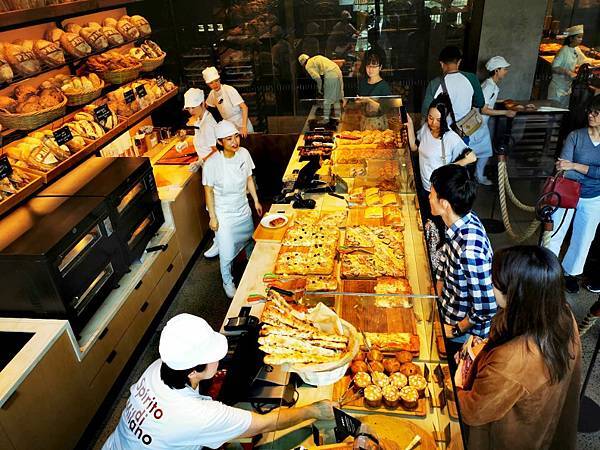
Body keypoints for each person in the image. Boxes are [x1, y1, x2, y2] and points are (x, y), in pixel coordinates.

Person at [102, 313, 336, 449]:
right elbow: (264, 424)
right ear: (193, 371)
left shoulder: (157, 368)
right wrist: (314, 410)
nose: (220, 359)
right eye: (213, 356)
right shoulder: (199, 415)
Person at [457, 246, 581, 450]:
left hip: (506, 436)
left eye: (495, 281)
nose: (490, 282)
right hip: (541, 423)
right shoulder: (560, 315)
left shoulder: (512, 359)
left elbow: (473, 411)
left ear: (514, 293)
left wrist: (456, 384)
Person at [429, 164, 496, 362]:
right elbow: (445, 258)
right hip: (446, 309)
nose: (428, 197)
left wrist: (454, 330)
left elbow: (486, 307)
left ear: (444, 203)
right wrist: (435, 293)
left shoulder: (470, 250)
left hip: (462, 336)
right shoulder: (460, 220)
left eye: (431, 194)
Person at [546, 95, 600, 294]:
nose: (591, 115)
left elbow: (571, 167)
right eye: (589, 111)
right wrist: (591, 172)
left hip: (594, 197)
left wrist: (576, 166)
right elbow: (563, 168)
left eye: (596, 112)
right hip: (567, 191)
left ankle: (571, 273)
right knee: (554, 234)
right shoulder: (575, 136)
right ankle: (548, 271)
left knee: (584, 238)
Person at [203, 120, 262, 298]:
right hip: (224, 213)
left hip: (242, 207)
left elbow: (249, 178)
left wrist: (256, 201)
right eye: (229, 139)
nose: (235, 141)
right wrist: (213, 217)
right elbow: (208, 191)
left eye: (236, 136)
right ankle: (227, 281)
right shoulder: (212, 164)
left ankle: (252, 264)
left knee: (249, 238)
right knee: (227, 252)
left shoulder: (243, 153)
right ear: (220, 142)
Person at [406, 95, 475, 222]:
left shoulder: (449, 137)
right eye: (430, 118)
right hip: (424, 185)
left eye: (438, 120)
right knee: (424, 220)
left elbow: (471, 157)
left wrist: (448, 169)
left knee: (436, 223)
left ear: (445, 119)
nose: (433, 123)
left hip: (438, 192)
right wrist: (409, 125)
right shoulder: (426, 129)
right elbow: (414, 147)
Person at [468, 56, 517, 185]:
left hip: (480, 124)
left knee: (484, 151)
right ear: (496, 70)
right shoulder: (489, 86)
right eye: (504, 69)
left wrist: (503, 102)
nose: (506, 72)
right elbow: (484, 109)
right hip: (477, 124)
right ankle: (476, 176)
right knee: (479, 151)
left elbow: (487, 101)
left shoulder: (490, 84)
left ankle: (477, 175)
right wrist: (506, 112)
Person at [421, 46, 485, 144]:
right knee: (462, 153)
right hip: (462, 132)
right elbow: (480, 103)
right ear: (459, 62)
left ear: (441, 63)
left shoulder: (434, 84)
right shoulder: (472, 79)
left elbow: (426, 112)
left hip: (440, 134)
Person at [203, 66, 254, 138]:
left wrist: (244, 126)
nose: (215, 84)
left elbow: (244, 107)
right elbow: (206, 105)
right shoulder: (212, 94)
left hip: (241, 123)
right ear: (208, 85)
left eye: (216, 81)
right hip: (229, 126)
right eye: (211, 83)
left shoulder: (229, 89)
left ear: (219, 79)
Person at [548, 24, 590, 108]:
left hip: (567, 88)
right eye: (578, 37)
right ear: (571, 38)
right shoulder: (564, 50)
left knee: (563, 112)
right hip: (557, 88)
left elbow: (584, 60)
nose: (581, 39)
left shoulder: (576, 49)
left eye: (581, 37)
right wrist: (567, 72)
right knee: (554, 111)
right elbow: (554, 67)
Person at [298, 54, 344, 123]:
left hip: (330, 73)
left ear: (302, 63)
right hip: (337, 70)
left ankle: (327, 119)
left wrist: (319, 89)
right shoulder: (315, 58)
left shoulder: (308, 65)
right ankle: (339, 117)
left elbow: (317, 78)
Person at [356, 50, 392, 130]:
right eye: (368, 66)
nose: (370, 70)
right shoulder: (363, 83)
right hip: (364, 122)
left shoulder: (384, 86)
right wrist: (357, 102)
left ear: (380, 67)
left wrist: (368, 100)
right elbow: (359, 102)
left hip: (379, 124)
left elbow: (386, 109)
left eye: (374, 67)